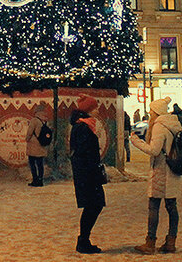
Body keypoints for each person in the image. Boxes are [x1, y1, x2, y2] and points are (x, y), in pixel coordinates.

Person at [129, 97, 182, 254]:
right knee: (172, 207)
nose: (149, 113)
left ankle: (150, 243)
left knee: (154, 206)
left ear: (156, 112)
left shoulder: (160, 126)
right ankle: (171, 242)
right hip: (172, 169)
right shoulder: (173, 124)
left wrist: (136, 142)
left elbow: (154, 150)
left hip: (162, 170)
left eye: (151, 111)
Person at [69, 95, 105, 254]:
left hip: (87, 173)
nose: (97, 110)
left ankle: (84, 240)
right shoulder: (83, 127)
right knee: (93, 206)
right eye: (95, 107)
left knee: (94, 205)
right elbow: (84, 152)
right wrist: (93, 170)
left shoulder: (85, 126)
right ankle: (83, 241)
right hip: (87, 174)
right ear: (88, 110)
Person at [25, 103, 53, 186]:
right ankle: (40, 180)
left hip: (33, 145)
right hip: (41, 144)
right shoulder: (44, 120)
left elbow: (30, 132)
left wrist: (27, 139)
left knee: (32, 164)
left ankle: (35, 180)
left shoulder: (34, 120)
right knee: (40, 164)